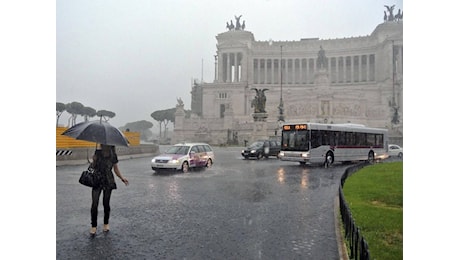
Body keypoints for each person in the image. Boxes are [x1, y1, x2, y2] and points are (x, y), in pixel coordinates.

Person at [90, 144, 129, 235]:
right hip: (97, 180)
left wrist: (122, 178)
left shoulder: (113, 155)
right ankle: (93, 226)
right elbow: (93, 166)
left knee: (106, 203)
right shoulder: (98, 152)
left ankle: (106, 223)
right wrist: (93, 160)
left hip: (108, 180)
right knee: (94, 203)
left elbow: (115, 169)